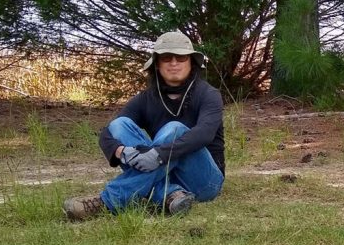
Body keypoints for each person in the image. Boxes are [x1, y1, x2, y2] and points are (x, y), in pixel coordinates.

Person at [63, 31, 225, 220]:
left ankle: (107, 202)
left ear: (191, 62)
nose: (174, 63)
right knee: (120, 125)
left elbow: (204, 134)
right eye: (166, 58)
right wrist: (122, 152)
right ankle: (170, 194)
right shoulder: (145, 98)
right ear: (157, 64)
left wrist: (158, 155)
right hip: (164, 175)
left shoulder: (209, 94)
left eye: (180, 57)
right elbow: (108, 133)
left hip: (204, 182)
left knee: (175, 129)